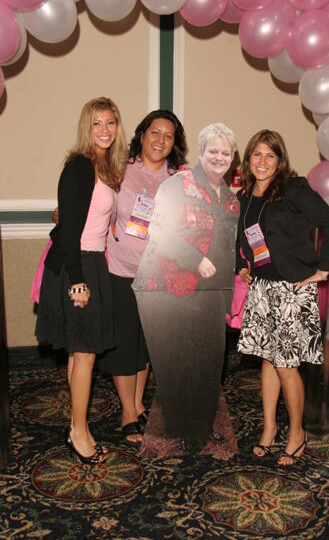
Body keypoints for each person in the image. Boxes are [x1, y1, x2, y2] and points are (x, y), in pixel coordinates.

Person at [236, 129, 329, 466]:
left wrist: (323, 270)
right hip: (262, 289)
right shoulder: (246, 195)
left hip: (292, 290)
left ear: (280, 160)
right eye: (257, 154)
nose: (262, 161)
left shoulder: (294, 189)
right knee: (268, 360)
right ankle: (269, 430)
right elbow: (244, 237)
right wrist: (243, 265)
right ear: (248, 158)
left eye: (270, 155)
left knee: (286, 367)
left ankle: (296, 433)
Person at [132, 123, 240, 452]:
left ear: (233, 157)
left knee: (209, 362)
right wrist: (195, 259)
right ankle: (180, 431)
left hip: (209, 292)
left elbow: (231, 247)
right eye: (213, 151)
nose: (219, 157)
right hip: (165, 290)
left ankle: (201, 430)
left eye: (226, 152)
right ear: (201, 152)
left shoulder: (232, 200)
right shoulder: (177, 185)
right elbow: (160, 231)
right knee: (176, 362)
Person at [36, 97, 127, 465]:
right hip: (79, 266)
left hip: (92, 262)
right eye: (96, 123)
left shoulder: (105, 166)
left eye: (110, 122)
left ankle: (76, 426)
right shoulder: (79, 166)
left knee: (79, 351)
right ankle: (79, 431)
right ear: (86, 128)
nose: (104, 130)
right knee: (86, 353)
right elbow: (70, 229)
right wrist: (77, 281)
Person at [99, 110, 187, 444]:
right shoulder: (119, 167)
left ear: (174, 143)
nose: (160, 140)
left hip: (157, 276)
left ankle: (136, 405)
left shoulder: (177, 178)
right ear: (142, 134)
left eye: (168, 135)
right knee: (124, 344)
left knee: (145, 347)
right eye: (155, 132)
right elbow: (94, 201)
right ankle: (127, 412)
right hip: (119, 270)